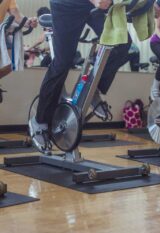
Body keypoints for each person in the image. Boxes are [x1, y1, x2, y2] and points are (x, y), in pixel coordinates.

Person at [29, 0, 134, 152]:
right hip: (66, 5)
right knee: (63, 63)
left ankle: (93, 90)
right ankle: (40, 120)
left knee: (122, 42)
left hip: (89, 6)